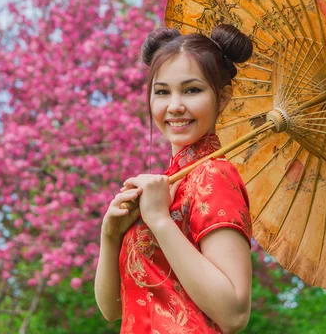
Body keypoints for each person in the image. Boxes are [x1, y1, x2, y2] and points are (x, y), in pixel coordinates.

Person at [94, 24, 254, 333]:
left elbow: (234, 313)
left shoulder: (214, 176)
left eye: (192, 90)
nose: (175, 105)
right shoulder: (164, 186)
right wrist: (111, 237)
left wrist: (159, 219)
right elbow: (113, 309)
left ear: (222, 96)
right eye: (162, 91)